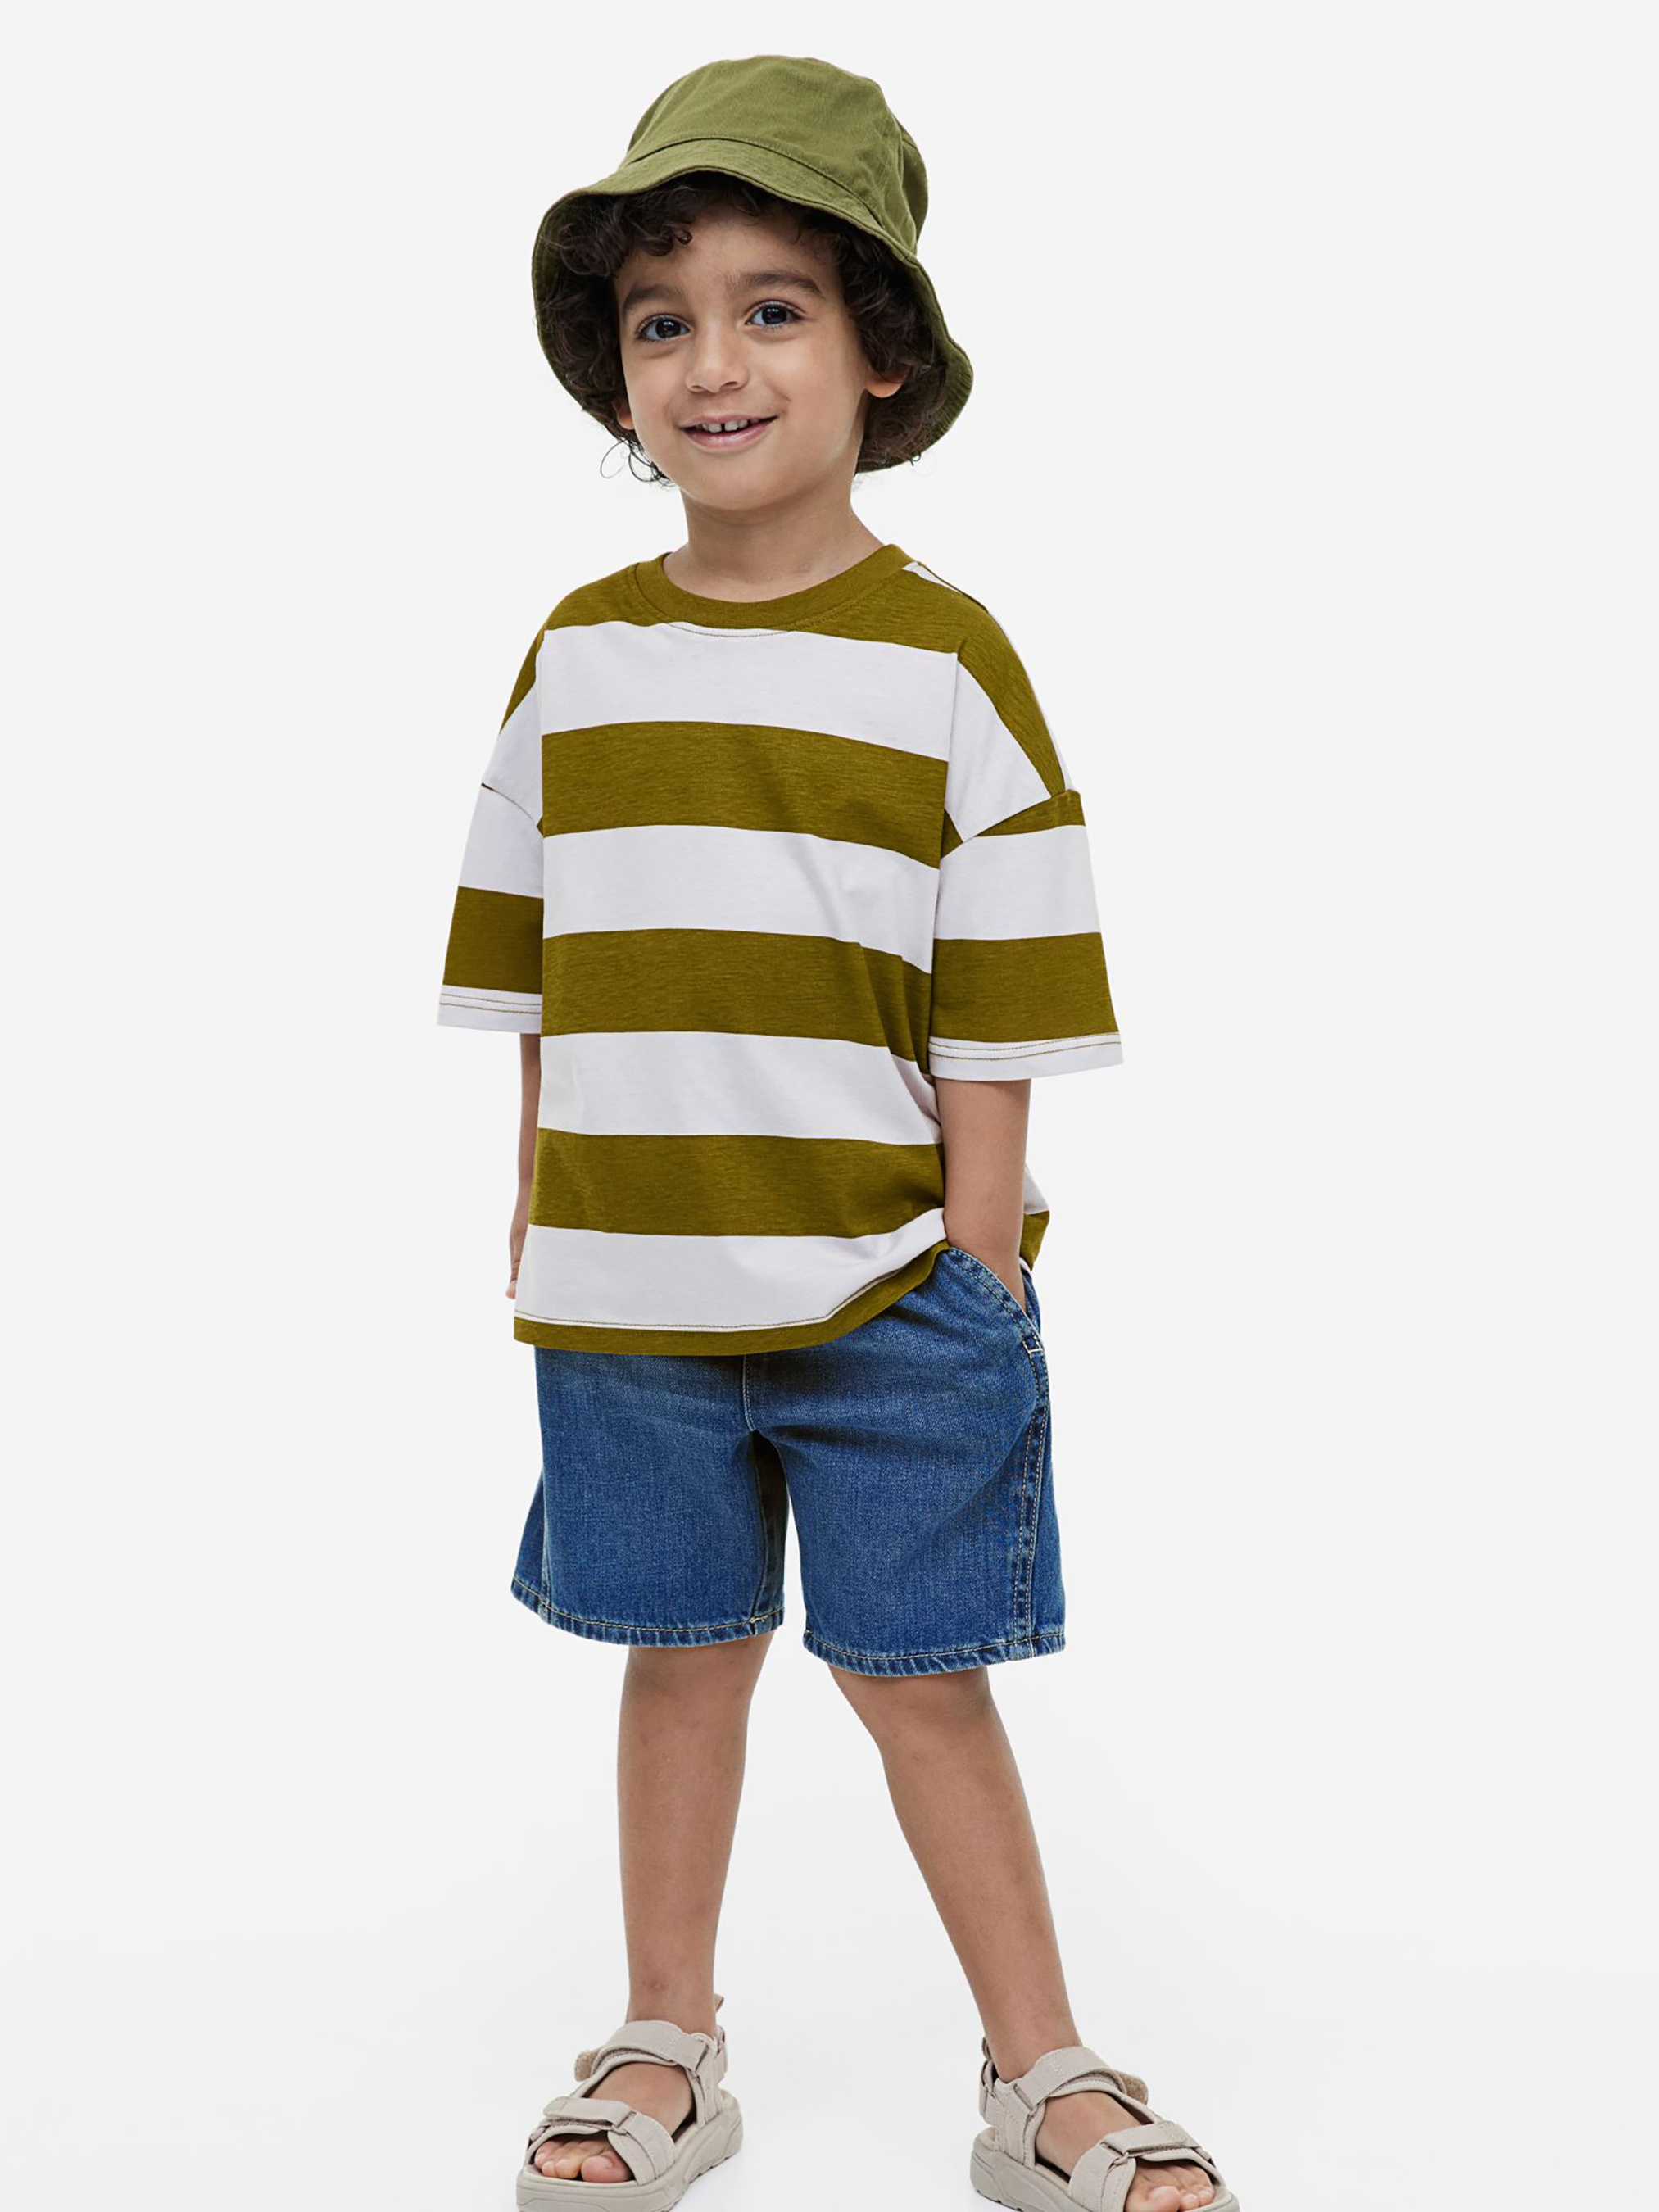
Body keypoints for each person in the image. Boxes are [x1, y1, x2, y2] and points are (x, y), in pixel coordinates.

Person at [437, 53, 1239, 2212]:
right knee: (678, 1661)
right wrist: (540, 1213)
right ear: (623, 374)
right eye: (664, 320)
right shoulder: (580, 656)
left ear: (879, 351)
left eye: (771, 307)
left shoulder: (945, 659)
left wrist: (977, 1260)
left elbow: (1002, 997)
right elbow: (534, 966)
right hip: (629, 1298)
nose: (712, 362)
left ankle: (1041, 2068)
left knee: (923, 1688)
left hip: (896, 1292)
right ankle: (664, 2038)